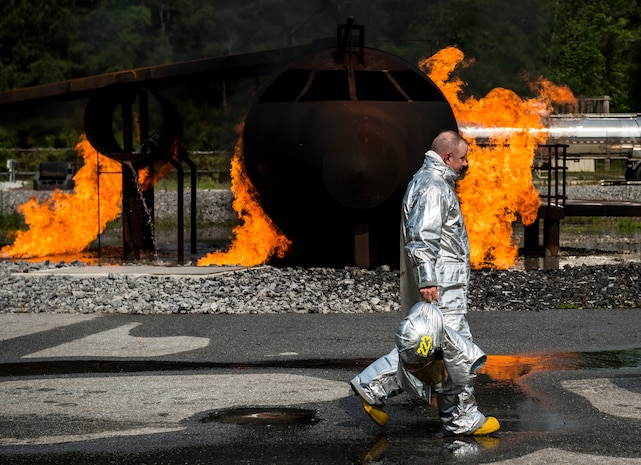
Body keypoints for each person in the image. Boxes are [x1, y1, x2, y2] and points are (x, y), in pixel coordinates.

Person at [350, 130, 500, 436]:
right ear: (447, 158)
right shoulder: (433, 187)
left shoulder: (431, 182)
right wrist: (429, 279)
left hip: (444, 283)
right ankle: (461, 419)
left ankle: (375, 387)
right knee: (452, 350)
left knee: (435, 348)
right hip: (442, 285)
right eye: (462, 159)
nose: (465, 165)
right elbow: (422, 238)